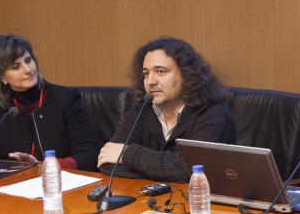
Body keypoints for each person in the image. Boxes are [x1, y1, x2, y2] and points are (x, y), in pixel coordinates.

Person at [98, 37, 236, 181]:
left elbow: (195, 170)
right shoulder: (143, 108)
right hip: (148, 201)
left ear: (186, 75)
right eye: (146, 73)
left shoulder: (214, 114)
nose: (150, 81)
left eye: (161, 71)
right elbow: (107, 163)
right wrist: (166, 171)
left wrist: (128, 155)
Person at [0, 34, 99, 171]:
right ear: (2, 77)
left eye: (28, 60)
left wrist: (50, 166)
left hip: (62, 182)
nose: (28, 70)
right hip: (18, 185)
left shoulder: (66, 98)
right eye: (16, 66)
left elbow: (90, 155)